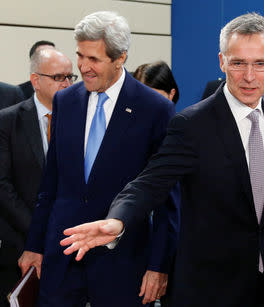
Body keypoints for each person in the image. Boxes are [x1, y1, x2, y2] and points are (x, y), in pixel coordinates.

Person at [60, 12, 264, 307]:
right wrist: (118, 220)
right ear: (222, 61)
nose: (249, 76)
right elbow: (150, 182)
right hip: (208, 287)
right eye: (238, 63)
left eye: (259, 64)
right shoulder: (193, 124)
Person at [18, 11, 178, 307]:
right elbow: (50, 184)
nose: (83, 67)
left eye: (94, 59)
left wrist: (159, 266)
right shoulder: (66, 101)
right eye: (80, 56)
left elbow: (167, 199)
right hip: (62, 258)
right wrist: (34, 246)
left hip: (123, 263)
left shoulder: (154, 109)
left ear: (120, 58)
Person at [0, 48, 74, 307]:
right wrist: (38, 230)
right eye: (58, 77)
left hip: (69, 245)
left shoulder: (81, 121)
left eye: (69, 77)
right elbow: (2, 185)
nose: (66, 84)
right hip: (20, 244)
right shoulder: (8, 121)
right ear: (35, 80)